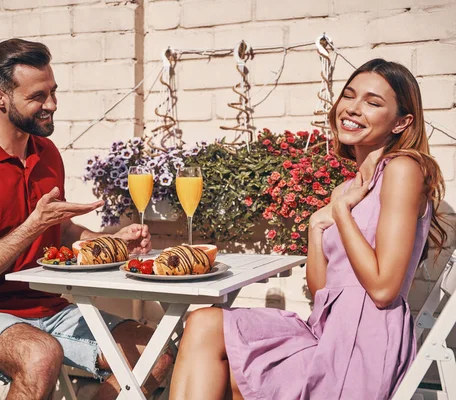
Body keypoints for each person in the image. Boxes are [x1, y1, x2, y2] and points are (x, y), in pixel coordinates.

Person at [169, 59, 447, 400]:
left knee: (232, 369)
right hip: (325, 331)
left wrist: (341, 212)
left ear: (402, 122)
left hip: (363, 348)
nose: (353, 109)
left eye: (373, 103)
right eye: (349, 96)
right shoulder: (349, 187)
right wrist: (317, 226)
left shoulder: (403, 170)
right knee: (204, 324)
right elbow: (323, 292)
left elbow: (384, 289)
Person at [0, 38, 172, 400]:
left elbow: (59, 230)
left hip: (50, 308)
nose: (52, 105)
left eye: (53, 92)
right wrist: (33, 224)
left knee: (156, 354)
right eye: (37, 97)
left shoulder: (46, 153)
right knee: (41, 355)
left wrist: (108, 242)